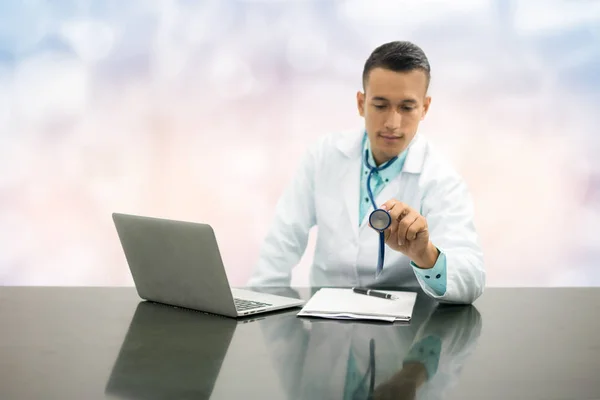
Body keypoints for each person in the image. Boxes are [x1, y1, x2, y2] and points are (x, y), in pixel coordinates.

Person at [248, 41, 485, 304]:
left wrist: (426, 254)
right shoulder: (323, 156)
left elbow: (471, 278)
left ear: (424, 108)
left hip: (403, 335)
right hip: (326, 329)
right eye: (380, 105)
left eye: (407, 107)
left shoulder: (442, 179)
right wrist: (259, 311)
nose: (392, 123)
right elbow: (282, 241)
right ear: (361, 103)